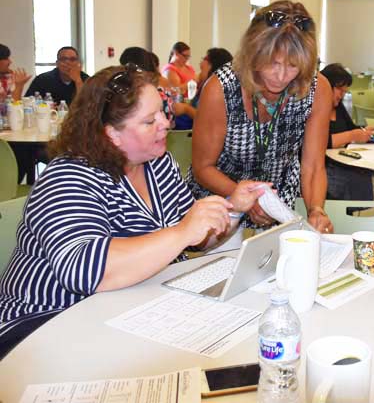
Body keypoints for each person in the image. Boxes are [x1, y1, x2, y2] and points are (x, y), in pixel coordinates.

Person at [0, 65, 267, 357]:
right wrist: (181, 233)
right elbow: (84, 272)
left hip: (124, 311)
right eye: (149, 121)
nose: (166, 124)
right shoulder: (69, 176)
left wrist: (233, 210)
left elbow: (198, 239)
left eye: (163, 113)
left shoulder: (157, 164)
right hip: (43, 324)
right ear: (112, 134)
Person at [188, 0, 334, 233]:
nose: (281, 75)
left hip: (278, 209)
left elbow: (314, 166)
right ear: (253, 53)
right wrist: (247, 199)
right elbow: (203, 167)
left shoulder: (316, 88)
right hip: (221, 208)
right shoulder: (221, 89)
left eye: (293, 65)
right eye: (272, 63)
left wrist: (316, 209)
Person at [322, 63, 374, 200]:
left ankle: (352, 213)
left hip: (341, 161)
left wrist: (365, 131)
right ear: (325, 86)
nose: (342, 94)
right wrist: (351, 135)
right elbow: (321, 141)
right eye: (339, 89)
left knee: (363, 172)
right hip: (325, 167)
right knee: (357, 175)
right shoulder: (314, 110)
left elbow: (352, 128)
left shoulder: (338, 107)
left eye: (345, 91)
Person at [24, 46, 89, 104]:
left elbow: (88, 105)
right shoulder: (42, 79)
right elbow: (27, 104)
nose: (68, 63)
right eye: (64, 59)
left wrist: (78, 81)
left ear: (78, 63)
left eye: (72, 59)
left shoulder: (87, 79)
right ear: (57, 63)